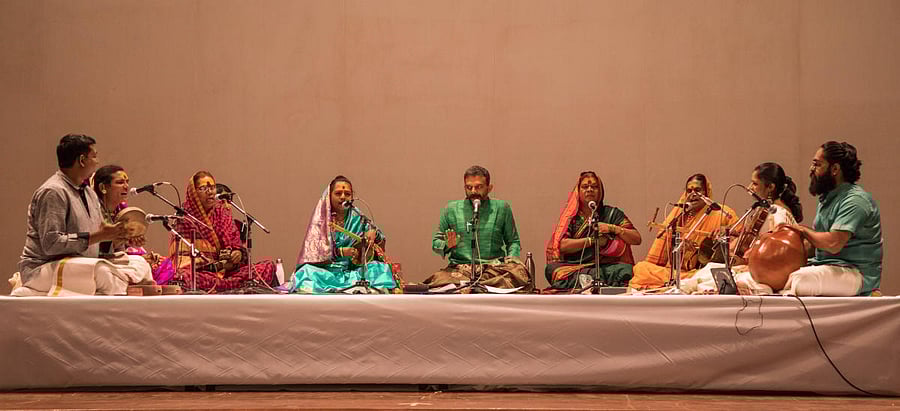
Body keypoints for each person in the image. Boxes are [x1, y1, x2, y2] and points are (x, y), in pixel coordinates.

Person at [14, 134, 153, 296]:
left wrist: (118, 238)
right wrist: (96, 236)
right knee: (101, 272)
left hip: (79, 263)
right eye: (94, 156)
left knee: (140, 263)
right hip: (43, 267)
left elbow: (97, 243)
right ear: (81, 160)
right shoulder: (53, 192)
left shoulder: (88, 193)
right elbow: (51, 244)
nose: (97, 161)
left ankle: (122, 292)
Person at [684, 163, 803, 294]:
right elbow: (755, 237)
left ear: (770, 187)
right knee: (710, 269)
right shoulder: (763, 209)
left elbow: (778, 254)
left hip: (765, 273)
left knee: (711, 281)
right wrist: (732, 233)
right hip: (752, 266)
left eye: (755, 184)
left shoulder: (778, 214)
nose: (749, 188)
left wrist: (747, 261)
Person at [782, 141, 882, 296]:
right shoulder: (828, 198)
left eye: (817, 164)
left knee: (801, 280)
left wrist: (802, 230)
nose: (811, 169)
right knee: (767, 275)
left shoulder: (855, 200)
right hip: (828, 267)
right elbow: (816, 244)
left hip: (855, 273)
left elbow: (833, 243)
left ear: (835, 169)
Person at [425, 165, 530, 291]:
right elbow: (436, 243)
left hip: (493, 269)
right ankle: (476, 287)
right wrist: (448, 245)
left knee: (519, 274)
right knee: (439, 280)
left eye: (478, 187)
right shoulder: (451, 209)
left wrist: (512, 260)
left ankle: (475, 287)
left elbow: (513, 242)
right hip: (460, 270)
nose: (473, 191)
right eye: (469, 187)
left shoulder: (502, 208)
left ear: (489, 188)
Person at [170, 171, 275, 292]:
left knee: (267, 266)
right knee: (183, 277)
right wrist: (215, 265)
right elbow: (182, 261)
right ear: (193, 193)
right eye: (203, 188)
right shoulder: (184, 217)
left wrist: (238, 254)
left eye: (212, 187)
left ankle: (226, 287)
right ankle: (232, 288)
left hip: (227, 273)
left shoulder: (222, 213)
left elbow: (236, 245)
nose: (209, 192)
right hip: (202, 273)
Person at [629, 173, 737, 290]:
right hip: (679, 272)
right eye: (689, 191)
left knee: (710, 275)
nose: (693, 194)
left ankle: (682, 283)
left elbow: (739, 240)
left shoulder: (723, 214)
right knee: (642, 268)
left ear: (707, 192)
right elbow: (663, 258)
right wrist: (681, 249)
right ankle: (681, 283)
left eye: (697, 190)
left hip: (702, 270)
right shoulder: (679, 215)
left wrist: (725, 233)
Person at [290, 175, 397, 293]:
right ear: (329, 196)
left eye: (347, 194)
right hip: (326, 273)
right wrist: (340, 252)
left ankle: (358, 289)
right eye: (338, 193)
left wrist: (373, 233)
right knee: (306, 272)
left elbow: (379, 241)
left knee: (379, 268)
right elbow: (313, 252)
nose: (343, 197)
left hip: (351, 274)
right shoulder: (321, 219)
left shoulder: (358, 217)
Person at [544, 171, 641, 289]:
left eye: (594, 187)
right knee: (553, 270)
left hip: (606, 267)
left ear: (600, 191)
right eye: (585, 187)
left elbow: (637, 239)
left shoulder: (611, 214)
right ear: (578, 192)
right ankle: (594, 280)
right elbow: (562, 245)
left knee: (627, 270)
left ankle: (588, 281)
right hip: (576, 267)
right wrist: (592, 240)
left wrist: (613, 228)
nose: (589, 189)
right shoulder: (571, 217)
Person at [92, 164, 173, 284]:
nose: (126, 186)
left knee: (162, 263)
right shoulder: (94, 211)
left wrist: (131, 242)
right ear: (103, 187)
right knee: (143, 265)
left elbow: (120, 246)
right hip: (99, 259)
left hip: (117, 256)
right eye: (120, 182)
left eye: (127, 182)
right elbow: (96, 247)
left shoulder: (121, 210)